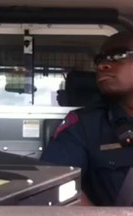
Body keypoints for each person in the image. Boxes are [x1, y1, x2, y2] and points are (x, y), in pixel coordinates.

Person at [41, 32, 133, 206]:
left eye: (118, 56)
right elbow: (52, 184)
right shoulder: (84, 125)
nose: (102, 66)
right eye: (100, 60)